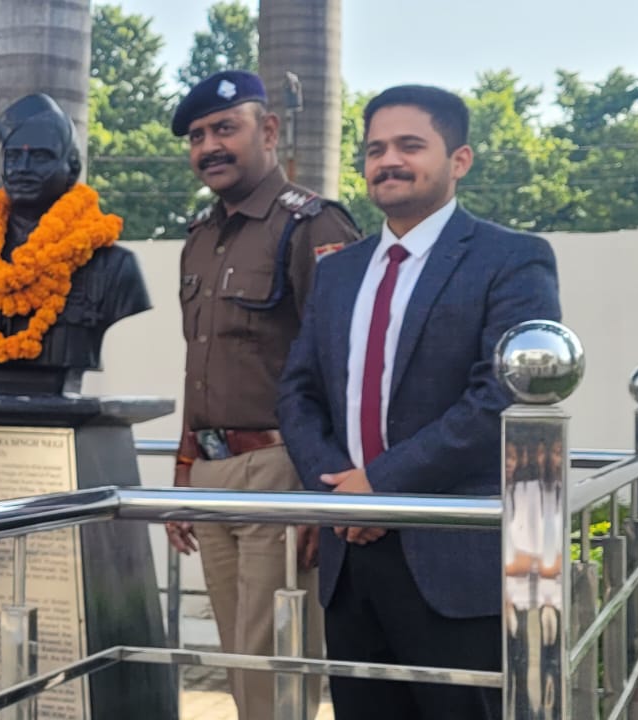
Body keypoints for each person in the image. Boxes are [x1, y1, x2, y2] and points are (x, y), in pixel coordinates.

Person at [277, 84, 561, 719]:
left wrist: (380, 484)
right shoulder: (338, 270)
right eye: (375, 149)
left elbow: (502, 394)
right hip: (351, 558)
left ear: (459, 160)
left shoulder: (512, 258)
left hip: (451, 559)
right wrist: (339, 489)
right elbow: (297, 391)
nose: (388, 161)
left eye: (410, 145)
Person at [162, 69, 360, 720]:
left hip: (282, 468)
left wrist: (323, 492)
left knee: (276, 658)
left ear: (268, 131)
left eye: (225, 129)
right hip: (212, 471)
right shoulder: (200, 237)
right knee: (238, 658)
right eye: (197, 136)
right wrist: (184, 472)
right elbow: (200, 364)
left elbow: (344, 366)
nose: (209, 147)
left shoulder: (312, 224)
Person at [0, 92, 150, 395]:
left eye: (40, 157)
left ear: (72, 168)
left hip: (60, 408)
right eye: (13, 157)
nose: (22, 168)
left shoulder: (114, 267)